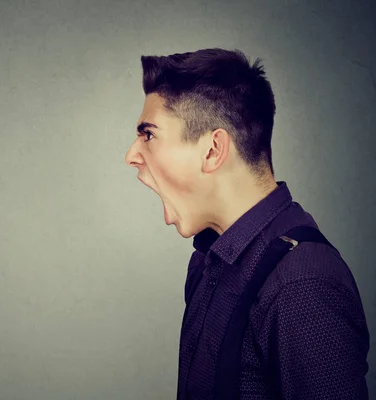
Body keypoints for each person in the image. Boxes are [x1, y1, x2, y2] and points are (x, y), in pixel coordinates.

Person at [124, 48, 370, 399]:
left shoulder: (303, 283)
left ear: (212, 150)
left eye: (148, 134)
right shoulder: (208, 262)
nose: (131, 155)